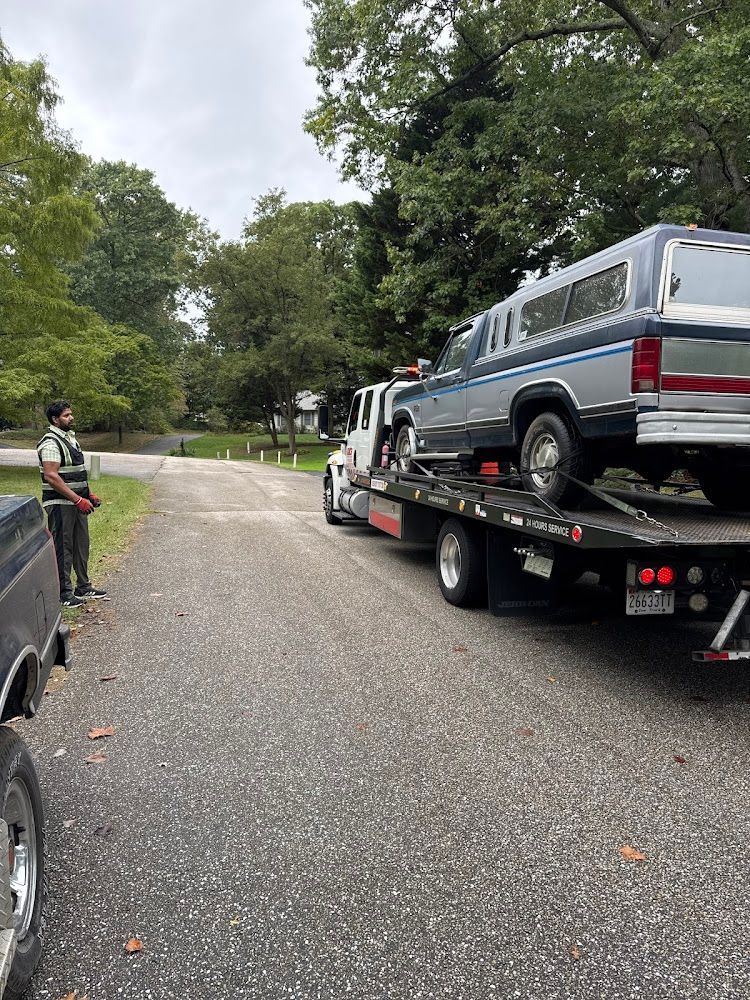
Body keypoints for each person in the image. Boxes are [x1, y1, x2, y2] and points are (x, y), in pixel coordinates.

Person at [37, 401, 107, 608]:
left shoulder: (69, 439)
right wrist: (77, 499)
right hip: (60, 504)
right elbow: (51, 476)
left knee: (81, 545)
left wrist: (88, 495)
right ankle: (64, 593)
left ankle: (83, 586)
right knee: (63, 547)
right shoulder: (50, 442)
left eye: (70, 414)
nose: (71, 418)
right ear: (55, 419)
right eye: (67, 415)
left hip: (77, 504)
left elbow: (75, 473)